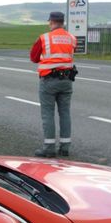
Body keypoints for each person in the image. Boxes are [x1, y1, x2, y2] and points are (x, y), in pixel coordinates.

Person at [30, 11, 77, 157]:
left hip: (49, 81)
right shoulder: (71, 38)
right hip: (67, 80)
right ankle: (65, 147)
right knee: (65, 113)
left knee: (48, 114)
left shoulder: (44, 38)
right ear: (63, 22)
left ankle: (49, 148)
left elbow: (33, 57)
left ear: (50, 22)